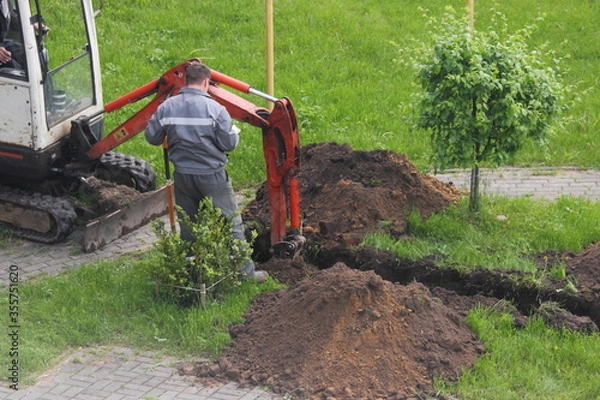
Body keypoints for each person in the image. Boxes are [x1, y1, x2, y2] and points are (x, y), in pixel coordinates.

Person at [145, 61, 268, 283]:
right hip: (212, 176)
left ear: (185, 80)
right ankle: (245, 274)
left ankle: (192, 274)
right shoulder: (216, 109)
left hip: (182, 176)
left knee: (189, 226)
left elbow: (152, 137)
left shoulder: (167, 107)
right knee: (232, 223)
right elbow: (229, 143)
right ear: (206, 82)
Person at [0, 0, 24, 69]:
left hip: (2, 43)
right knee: (15, 69)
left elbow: (12, 17)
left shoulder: (5, 2)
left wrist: (30, 25)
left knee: (26, 54)